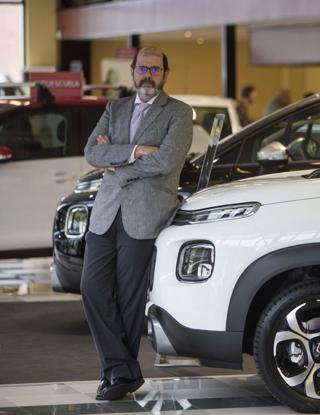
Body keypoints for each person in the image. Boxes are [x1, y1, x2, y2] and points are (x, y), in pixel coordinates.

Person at [80, 46, 193, 401]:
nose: (148, 74)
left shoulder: (178, 113)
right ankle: (123, 370)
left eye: (155, 69)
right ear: (132, 71)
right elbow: (92, 153)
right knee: (92, 288)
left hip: (145, 214)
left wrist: (119, 163)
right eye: (142, 68)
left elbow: (166, 161)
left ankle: (115, 376)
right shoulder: (115, 108)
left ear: (165, 74)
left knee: (128, 299)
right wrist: (134, 151)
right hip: (105, 213)